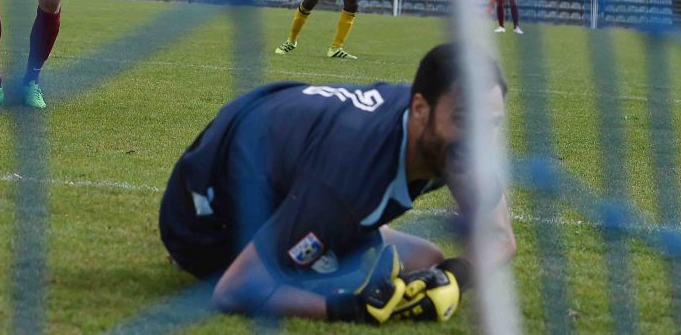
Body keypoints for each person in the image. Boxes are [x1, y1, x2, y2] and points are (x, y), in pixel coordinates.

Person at [159, 43, 516, 324]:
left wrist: (454, 277)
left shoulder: (456, 143)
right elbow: (235, 290)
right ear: (421, 109)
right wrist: (351, 309)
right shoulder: (350, 175)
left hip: (286, 156)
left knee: (428, 260)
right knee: (348, 274)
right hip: (202, 221)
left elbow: (500, 237)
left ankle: (333, 239)